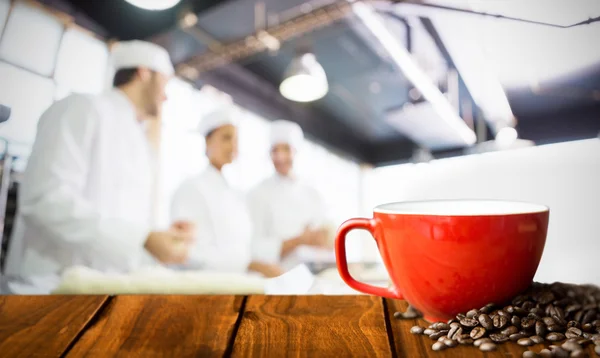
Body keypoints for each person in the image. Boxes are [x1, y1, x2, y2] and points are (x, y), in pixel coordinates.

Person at [3, 40, 195, 279]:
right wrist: (142, 238)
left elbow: (123, 222)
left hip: (105, 288)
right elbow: (45, 200)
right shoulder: (82, 108)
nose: (166, 97)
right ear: (144, 72)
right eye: (165, 83)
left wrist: (160, 237)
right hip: (49, 287)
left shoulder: (140, 140)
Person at [170, 108, 283, 277]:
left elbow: (243, 247)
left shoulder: (235, 194)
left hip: (237, 284)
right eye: (226, 138)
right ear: (208, 142)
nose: (233, 145)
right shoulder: (191, 188)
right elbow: (188, 253)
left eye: (236, 139)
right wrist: (249, 265)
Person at [247, 120, 333, 271]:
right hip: (277, 276)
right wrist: (299, 240)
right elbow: (254, 248)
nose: (280, 157)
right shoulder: (258, 194)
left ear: (296, 151)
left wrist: (324, 239)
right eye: (275, 150)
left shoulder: (312, 193)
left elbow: (325, 239)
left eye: (286, 149)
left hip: (314, 273)